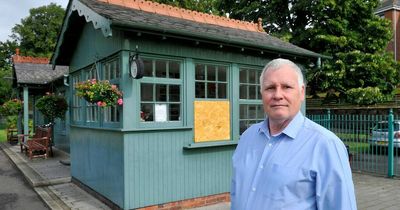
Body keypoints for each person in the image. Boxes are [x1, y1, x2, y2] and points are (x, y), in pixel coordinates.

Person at [231, 58, 357, 210]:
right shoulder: (247, 138)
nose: (277, 95)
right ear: (261, 93)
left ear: (302, 92)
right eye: (270, 88)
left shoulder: (326, 146)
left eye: (286, 87)